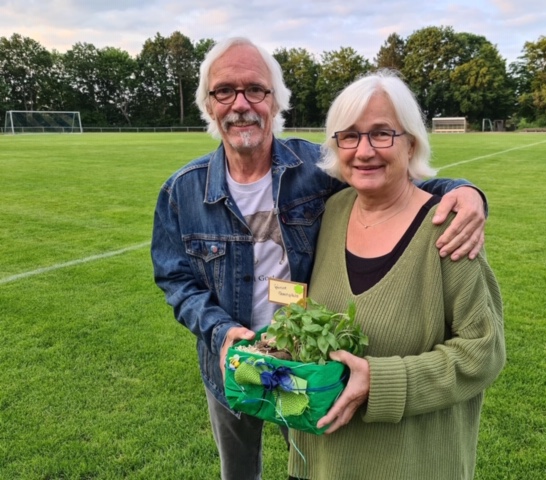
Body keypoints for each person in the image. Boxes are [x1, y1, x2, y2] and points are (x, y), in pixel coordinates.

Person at [151, 37, 489, 480]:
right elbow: (176, 279)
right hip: (231, 364)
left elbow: (387, 175)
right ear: (208, 104)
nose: (241, 104)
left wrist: (464, 191)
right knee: (238, 471)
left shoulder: (316, 168)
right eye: (224, 91)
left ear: (275, 101)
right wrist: (219, 329)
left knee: (315, 456)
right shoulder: (182, 190)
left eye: (256, 89)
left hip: (312, 361)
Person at [287, 70, 506, 480]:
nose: (364, 150)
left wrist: (384, 382)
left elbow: (485, 352)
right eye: (349, 135)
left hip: (411, 465)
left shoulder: (448, 227)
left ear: (411, 143)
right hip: (322, 463)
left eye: (382, 133)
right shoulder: (332, 212)